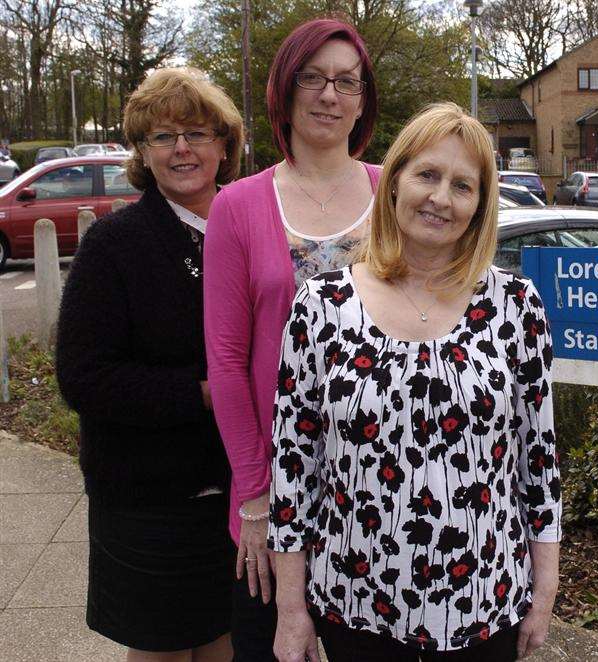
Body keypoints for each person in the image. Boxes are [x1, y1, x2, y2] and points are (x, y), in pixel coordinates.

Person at [269, 102, 561, 662]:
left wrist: (544, 590)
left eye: (462, 186)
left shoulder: (517, 307)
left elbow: (539, 463)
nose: (441, 198)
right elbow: (293, 466)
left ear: (479, 207)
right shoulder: (322, 305)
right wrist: (290, 609)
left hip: (485, 602)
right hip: (357, 603)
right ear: (395, 181)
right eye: (427, 174)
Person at [203, 17, 380, 660]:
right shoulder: (239, 205)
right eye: (314, 77)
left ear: (363, 100)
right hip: (278, 491)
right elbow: (225, 359)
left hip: (378, 485)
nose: (330, 95)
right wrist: (253, 496)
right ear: (285, 88)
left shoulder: (394, 194)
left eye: (347, 82)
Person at [55, 67, 244, 662]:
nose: (182, 148)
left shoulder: (247, 227)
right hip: (150, 498)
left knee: (224, 640)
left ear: (223, 143)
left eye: (196, 132)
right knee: (163, 649)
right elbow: (84, 376)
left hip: (240, 490)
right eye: (163, 136)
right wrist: (204, 394)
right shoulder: (114, 244)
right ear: (142, 151)